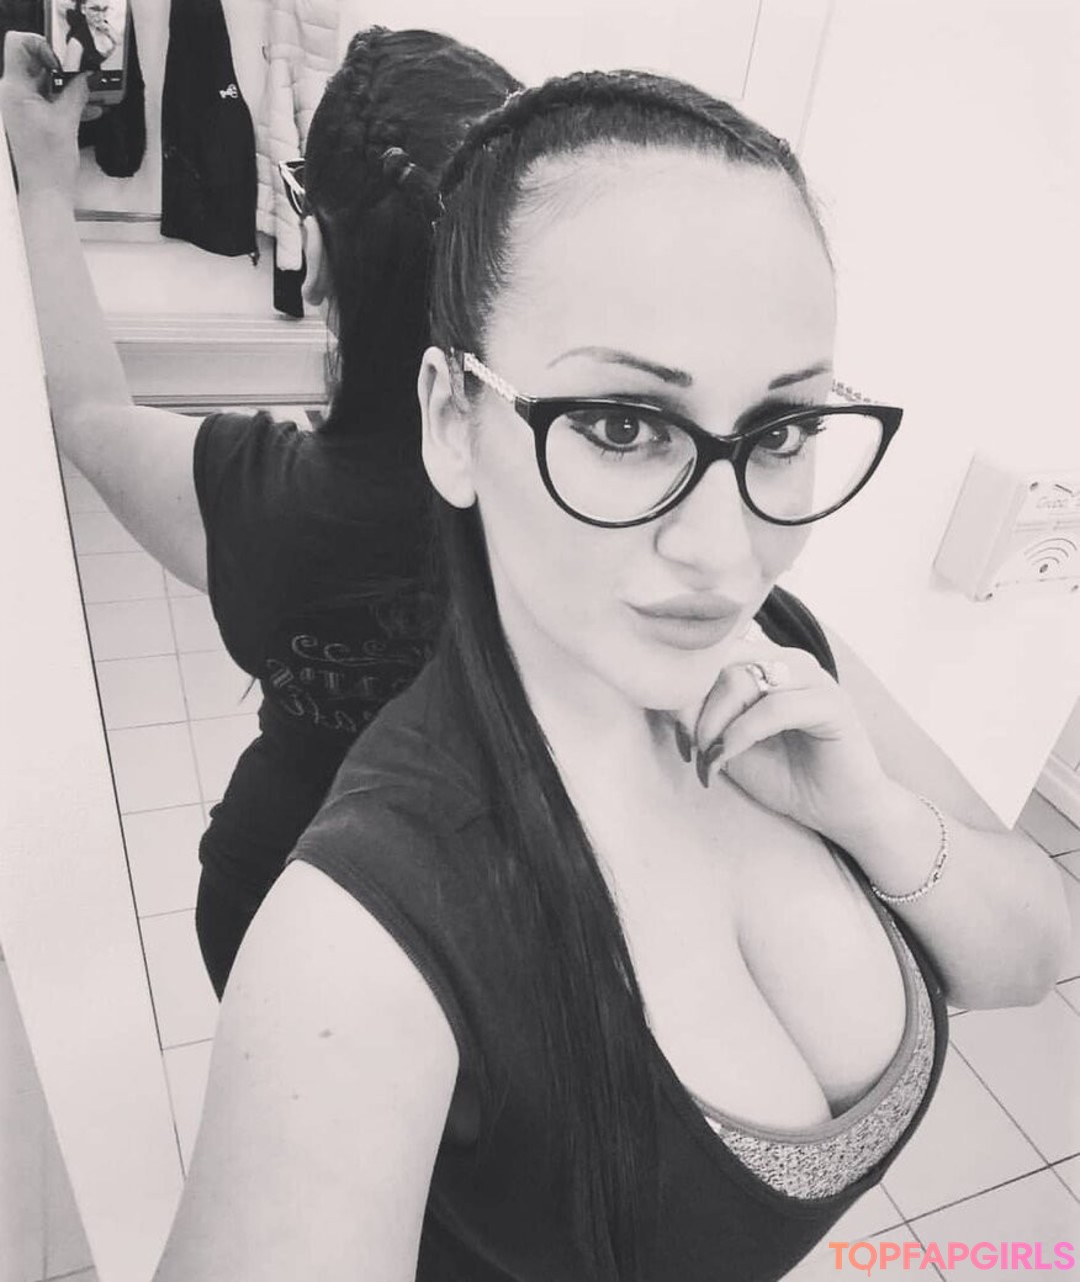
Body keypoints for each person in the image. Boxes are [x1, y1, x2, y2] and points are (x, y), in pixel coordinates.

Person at [142, 69, 1068, 1281]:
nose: (726, 552)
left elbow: (1034, 958)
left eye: (783, 430)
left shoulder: (784, 647)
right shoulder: (362, 945)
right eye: (624, 426)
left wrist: (878, 819)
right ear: (453, 422)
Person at [0, 27, 521, 996]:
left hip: (272, 897)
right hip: (474, 935)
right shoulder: (567, 517)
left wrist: (41, 183)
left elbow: (88, 413)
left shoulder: (270, 500)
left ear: (313, 258)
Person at [60, 0, 117, 73]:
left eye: (105, 9)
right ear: (83, 9)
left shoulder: (106, 29)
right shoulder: (76, 42)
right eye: (95, 9)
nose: (101, 16)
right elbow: (69, 76)